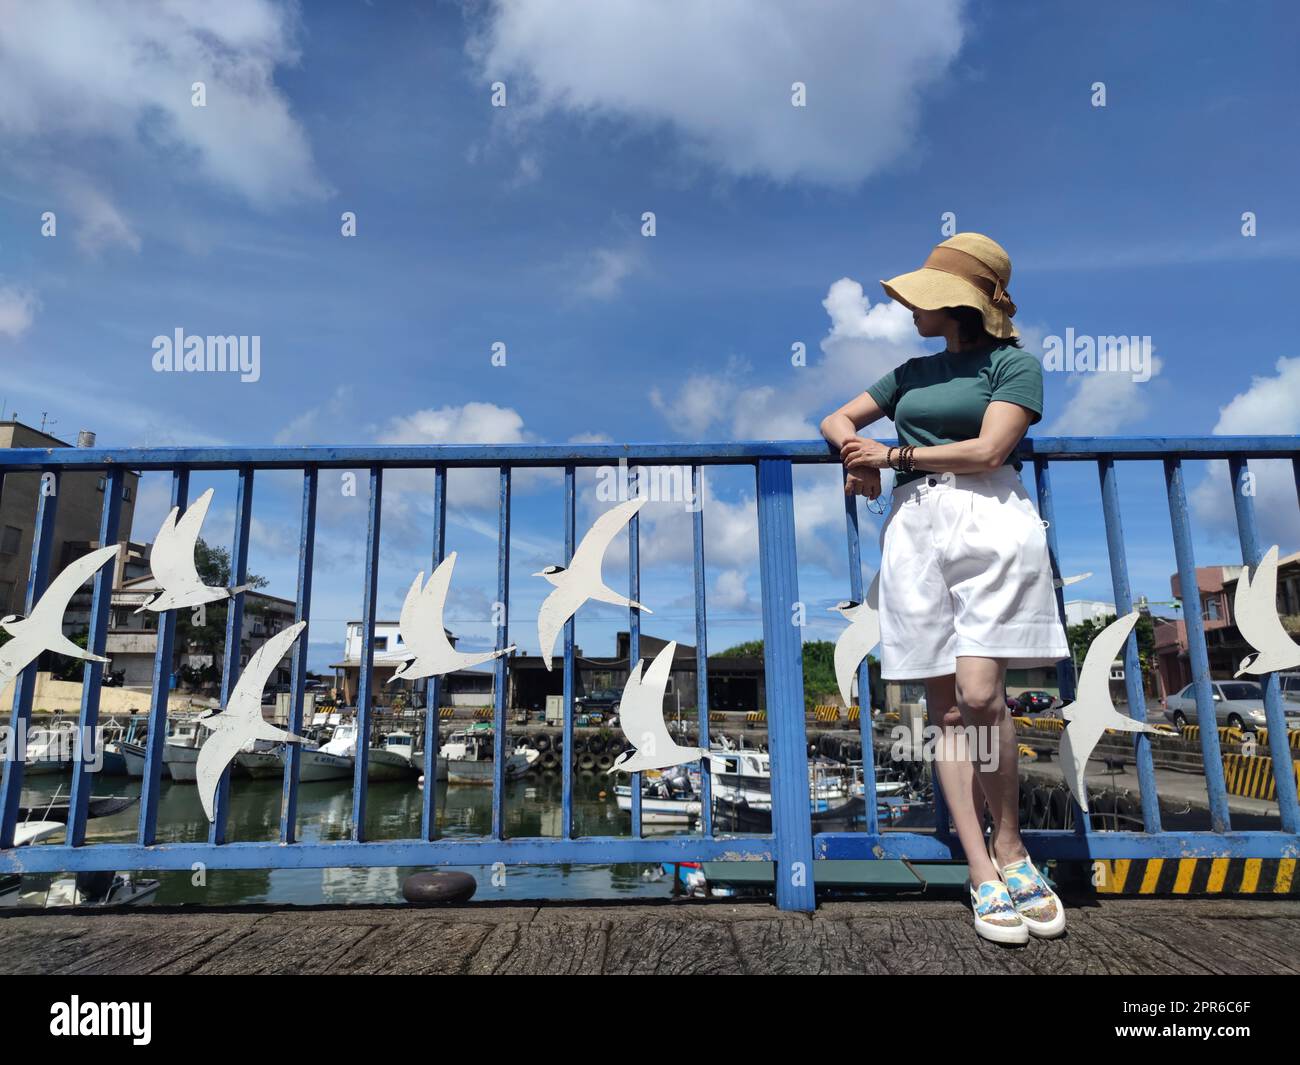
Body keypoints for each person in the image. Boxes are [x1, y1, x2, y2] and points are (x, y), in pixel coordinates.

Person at [820, 232, 1069, 946]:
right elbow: (838, 418)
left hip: (988, 519)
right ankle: (982, 866)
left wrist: (892, 452)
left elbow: (992, 448)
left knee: (984, 695)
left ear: (961, 300)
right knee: (944, 709)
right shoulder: (909, 371)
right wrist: (852, 453)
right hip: (915, 526)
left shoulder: (1012, 364)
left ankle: (1014, 846)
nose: (910, 309)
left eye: (925, 297)